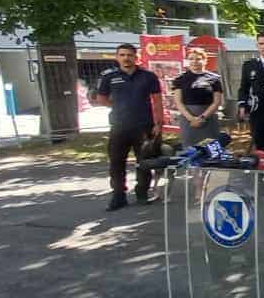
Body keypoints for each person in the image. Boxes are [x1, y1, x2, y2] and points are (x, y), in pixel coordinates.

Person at [93, 43, 163, 211]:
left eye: (130, 55)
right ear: (117, 57)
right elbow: (101, 98)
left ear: (136, 57)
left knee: (144, 162)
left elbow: (157, 101)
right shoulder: (109, 77)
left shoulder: (148, 76)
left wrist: (159, 124)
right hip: (119, 126)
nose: (126, 58)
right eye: (122, 55)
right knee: (116, 162)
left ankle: (142, 193)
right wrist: (118, 107)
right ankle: (118, 196)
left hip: (143, 126)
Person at [171, 47, 223, 146]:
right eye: (191, 59)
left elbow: (217, 101)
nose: (194, 61)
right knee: (190, 149)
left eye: (198, 59)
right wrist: (191, 118)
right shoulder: (180, 79)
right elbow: (178, 102)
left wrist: (202, 118)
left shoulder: (214, 78)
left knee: (211, 148)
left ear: (205, 60)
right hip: (188, 119)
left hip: (208, 118)